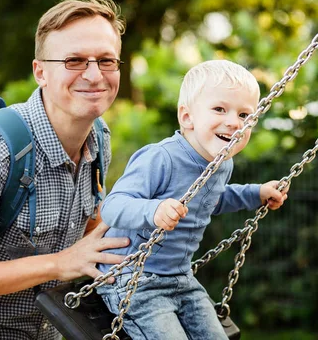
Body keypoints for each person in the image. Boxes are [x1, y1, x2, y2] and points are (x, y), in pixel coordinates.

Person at [0, 0, 130, 339]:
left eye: (106, 60)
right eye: (74, 61)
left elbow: (90, 224)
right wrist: (61, 263)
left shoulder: (99, 135)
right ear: (40, 72)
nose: (94, 75)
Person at [96, 60, 289, 340]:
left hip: (180, 277)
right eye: (220, 109)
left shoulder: (222, 164)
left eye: (245, 115)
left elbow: (214, 200)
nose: (234, 122)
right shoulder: (161, 158)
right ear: (187, 117)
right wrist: (154, 210)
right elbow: (113, 207)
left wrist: (256, 193)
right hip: (132, 279)